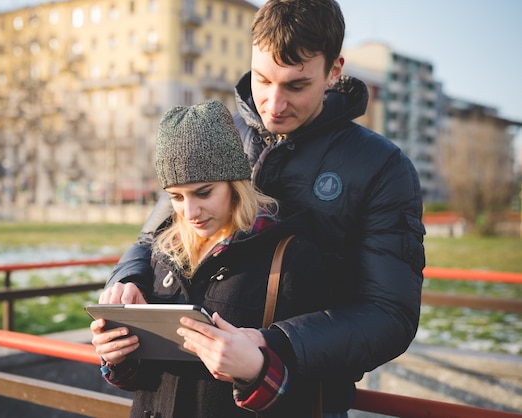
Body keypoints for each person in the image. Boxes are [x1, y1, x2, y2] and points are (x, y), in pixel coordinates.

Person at [99, 0, 426, 416]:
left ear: (334, 71)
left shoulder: (382, 167)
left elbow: (389, 314)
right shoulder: (215, 133)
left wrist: (273, 345)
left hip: (299, 399)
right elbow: (152, 238)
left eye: (296, 85)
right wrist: (126, 285)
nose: (273, 104)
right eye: (262, 79)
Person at [91, 99, 333, 417]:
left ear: (236, 184)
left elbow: (311, 387)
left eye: (204, 193)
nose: (189, 213)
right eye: (176, 197)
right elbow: (145, 379)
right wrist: (116, 357)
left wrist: (255, 371)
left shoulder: (290, 258)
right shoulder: (162, 253)